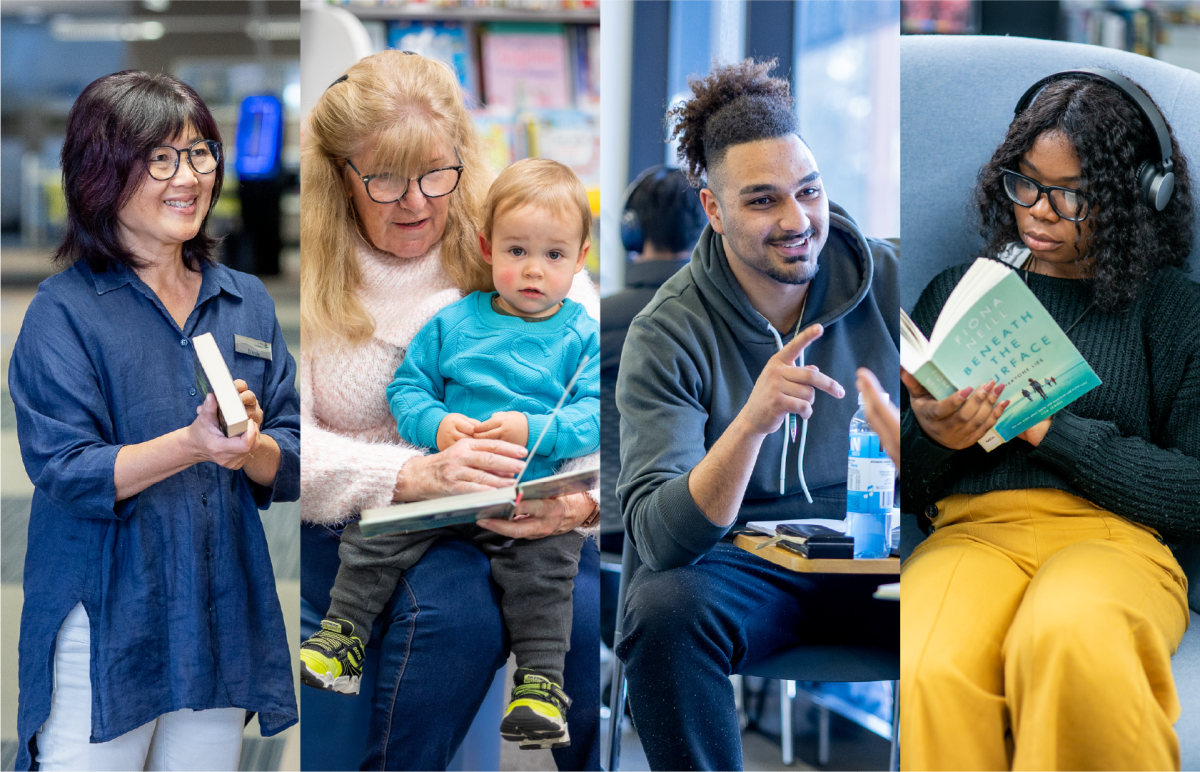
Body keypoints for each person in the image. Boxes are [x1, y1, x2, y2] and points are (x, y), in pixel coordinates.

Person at [300, 50, 600, 770]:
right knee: (453, 614)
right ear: (340, 174)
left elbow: (599, 408)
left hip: (527, 507)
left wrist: (579, 501)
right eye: (386, 180)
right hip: (366, 510)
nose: (417, 202)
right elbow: (290, 443)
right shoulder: (309, 276)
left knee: (584, 615)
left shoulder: (530, 249)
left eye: (438, 173)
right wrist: (417, 469)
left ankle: (548, 705)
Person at [900, 70, 1200, 771]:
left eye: (1069, 196)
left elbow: (1195, 490)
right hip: (972, 533)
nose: (1037, 210)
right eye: (1025, 182)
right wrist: (935, 439)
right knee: (926, 660)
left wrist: (1046, 427)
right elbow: (904, 489)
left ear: (1137, 197)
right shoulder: (960, 293)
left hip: (1116, 542)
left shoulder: (1173, 312)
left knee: (1068, 638)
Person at [614, 59, 900, 770]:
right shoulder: (667, 330)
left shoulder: (891, 277)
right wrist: (748, 424)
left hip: (881, 556)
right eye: (763, 201)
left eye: (809, 191)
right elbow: (659, 537)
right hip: (745, 569)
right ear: (712, 210)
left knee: (980, 591)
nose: (798, 220)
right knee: (662, 613)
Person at [9, 71, 299, 772]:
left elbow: (294, 449)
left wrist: (250, 447)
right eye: (161, 158)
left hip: (219, 606)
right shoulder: (64, 311)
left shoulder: (245, 302)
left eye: (200, 153)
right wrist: (192, 443)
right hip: (105, 610)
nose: (190, 177)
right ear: (100, 175)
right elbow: (66, 468)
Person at [599, 166, 707, 541]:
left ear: (631, 231)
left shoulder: (592, 319)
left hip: (594, 516)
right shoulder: (713, 321)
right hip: (680, 527)